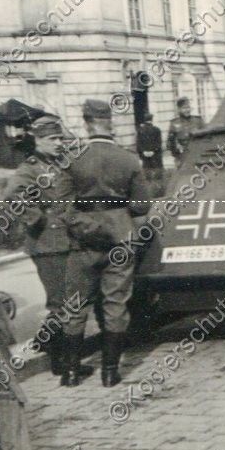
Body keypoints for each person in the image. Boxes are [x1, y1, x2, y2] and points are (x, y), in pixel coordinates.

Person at [62, 100, 152, 388]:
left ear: (87, 122)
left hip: (83, 237)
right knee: (116, 303)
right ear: (109, 122)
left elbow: (60, 203)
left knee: (76, 305)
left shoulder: (72, 157)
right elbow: (142, 206)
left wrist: (83, 223)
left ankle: (72, 372)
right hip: (120, 235)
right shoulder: (128, 159)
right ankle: (110, 372)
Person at [0, 115, 90, 377]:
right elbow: (12, 197)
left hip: (68, 239)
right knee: (59, 303)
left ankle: (52, 346)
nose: (58, 142)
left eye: (60, 137)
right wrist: (36, 218)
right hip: (47, 243)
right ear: (38, 140)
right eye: (52, 139)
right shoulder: (29, 169)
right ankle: (59, 360)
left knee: (68, 300)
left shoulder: (60, 163)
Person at [166, 97, 204, 167]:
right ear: (179, 109)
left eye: (188, 107)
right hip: (182, 155)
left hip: (198, 153)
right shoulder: (174, 123)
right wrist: (177, 155)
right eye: (184, 108)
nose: (187, 110)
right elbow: (170, 142)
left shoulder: (198, 121)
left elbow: (206, 137)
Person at [136, 112, 164, 194]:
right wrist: (153, 151)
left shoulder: (140, 130)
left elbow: (138, 144)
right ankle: (158, 192)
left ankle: (148, 192)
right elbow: (159, 143)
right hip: (155, 156)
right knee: (157, 175)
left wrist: (144, 152)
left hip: (145, 156)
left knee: (147, 174)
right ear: (152, 120)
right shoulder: (157, 130)